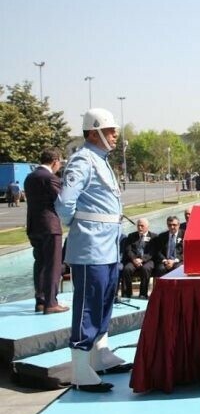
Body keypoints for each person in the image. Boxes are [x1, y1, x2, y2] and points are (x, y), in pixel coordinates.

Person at [55, 108, 132, 393]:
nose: (115, 135)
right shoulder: (83, 160)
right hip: (91, 246)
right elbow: (65, 203)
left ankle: (100, 354)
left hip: (108, 246)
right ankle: (80, 368)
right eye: (110, 131)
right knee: (89, 304)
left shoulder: (101, 160)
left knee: (104, 300)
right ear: (94, 132)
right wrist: (80, 226)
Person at [24, 148, 67, 314]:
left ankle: (40, 301)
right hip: (50, 226)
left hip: (34, 225)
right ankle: (51, 303)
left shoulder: (30, 177)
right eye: (60, 163)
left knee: (40, 263)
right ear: (55, 161)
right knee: (53, 265)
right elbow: (62, 200)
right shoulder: (50, 178)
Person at [120, 218, 157, 299]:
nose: (140, 228)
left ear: (147, 226)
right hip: (133, 260)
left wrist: (142, 259)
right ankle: (127, 293)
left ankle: (143, 294)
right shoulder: (131, 236)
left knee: (146, 269)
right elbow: (128, 250)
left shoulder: (153, 237)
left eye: (142, 226)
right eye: (138, 226)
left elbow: (152, 252)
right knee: (127, 269)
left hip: (147, 260)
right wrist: (134, 259)